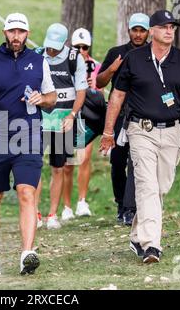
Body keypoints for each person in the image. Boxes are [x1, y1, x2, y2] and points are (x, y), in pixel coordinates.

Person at [99, 10, 180, 263]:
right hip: (140, 130)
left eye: (173, 27)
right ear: (153, 31)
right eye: (164, 26)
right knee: (146, 185)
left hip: (172, 131)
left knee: (160, 188)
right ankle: (151, 245)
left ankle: (136, 235)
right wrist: (107, 132)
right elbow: (117, 96)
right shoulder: (134, 59)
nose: (170, 31)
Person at [0, 13, 56, 276]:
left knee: (26, 192)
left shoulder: (39, 61)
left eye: (21, 32)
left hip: (29, 133)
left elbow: (52, 97)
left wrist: (43, 99)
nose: (16, 36)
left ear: (28, 34)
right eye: (12, 32)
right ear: (4, 33)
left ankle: (27, 253)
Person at [96, 13, 150, 226]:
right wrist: (112, 68)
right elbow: (99, 83)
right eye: (134, 30)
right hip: (118, 116)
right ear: (129, 30)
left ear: (148, 32)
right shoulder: (116, 52)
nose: (138, 34)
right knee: (118, 161)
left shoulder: (150, 54)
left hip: (143, 116)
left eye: (142, 30)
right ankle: (121, 204)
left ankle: (132, 208)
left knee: (136, 163)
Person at [35, 23, 88, 230]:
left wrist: (73, 115)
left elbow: (81, 90)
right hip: (40, 120)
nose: (51, 50)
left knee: (58, 168)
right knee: (35, 167)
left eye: (55, 46)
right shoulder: (38, 55)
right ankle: (35, 213)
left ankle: (52, 215)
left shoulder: (75, 59)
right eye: (49, 45)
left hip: (63, 121)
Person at [66, 27, 103, 219]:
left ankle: (82, 201)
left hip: (86, 116)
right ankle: (66, 206)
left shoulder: (96, 66)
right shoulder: (63, 64)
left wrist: (93, 87)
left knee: (85, 157)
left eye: (85, 47)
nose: (81, 50)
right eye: (77, 47)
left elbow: (101, 95)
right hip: (66, 114)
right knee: (66, 162)